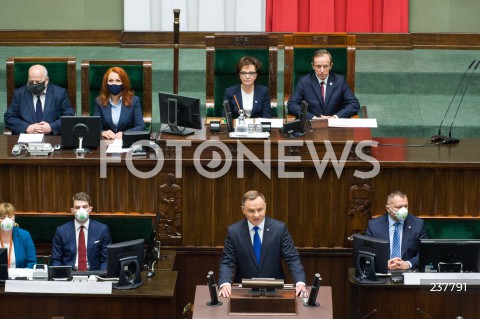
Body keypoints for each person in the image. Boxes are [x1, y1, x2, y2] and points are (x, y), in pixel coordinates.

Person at [218, 190, 306, 298]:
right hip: (244, 292)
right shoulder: (234, 232)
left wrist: (300, 282)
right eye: (251, 211)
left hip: (275, 291)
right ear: (243, 210)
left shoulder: (279, 229)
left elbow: (292, 258)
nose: (256, 215)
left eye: (260, 210)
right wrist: (225, 283)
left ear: (265, 207)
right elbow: (227, 261)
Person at [287, 49, 360, 120]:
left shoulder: (340, 81)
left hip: (334, 125)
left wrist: (335, 117)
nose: (322, 71)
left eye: (325, 66)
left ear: (331, 66)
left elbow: (354, 104)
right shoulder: (304, 81)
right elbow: (292, 105)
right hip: (311, 125)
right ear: (313, 66)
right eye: (318, 66)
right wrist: (312, 118)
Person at [4, 64, 75, 135]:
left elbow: (69, 116)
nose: (34, 84)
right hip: (28, 137)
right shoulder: (19, 94)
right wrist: (26, 128)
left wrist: (52, 127)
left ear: (46, 80)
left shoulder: (59, 93)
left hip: (52, 137)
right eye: (31, 82)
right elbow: (9, 117)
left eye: (37, 82)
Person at [365, 190, 428, 270]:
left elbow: (425, 253)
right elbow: (367, 253)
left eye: (406, 206)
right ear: (388, 208)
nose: (404, 210)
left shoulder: (418, 224)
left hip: (408, 273)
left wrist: (408, 264)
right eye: (399, 207)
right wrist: (383, 263)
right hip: (383, 272)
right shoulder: (374, 225)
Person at [51, 192, 112, 271]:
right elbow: (56, 260)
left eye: (85, 207)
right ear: (72, 210)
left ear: (90, 209)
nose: (81, 210)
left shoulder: (102, 229)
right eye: (77, 207)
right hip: (70, 276)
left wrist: (101, 276)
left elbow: (106, 260)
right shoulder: (61, 231)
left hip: (94, 276)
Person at [94, 66, 145, 140]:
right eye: (110, 81)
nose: (114, 83)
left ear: (123, 83)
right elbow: (96, 127)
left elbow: (140, 126)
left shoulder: (134, 101)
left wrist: (125, 134)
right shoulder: (99, 102)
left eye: (118, 80)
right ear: (106, 83)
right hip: (106, 142)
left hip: (127, 142)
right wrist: (103, 132)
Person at [0, 203, 37, 268]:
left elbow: (32, 263)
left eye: (10, 217)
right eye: (2, 217)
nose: (7, 221)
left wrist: (22, 275)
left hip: (19, 276)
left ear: (14, 217)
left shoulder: (25, 235)